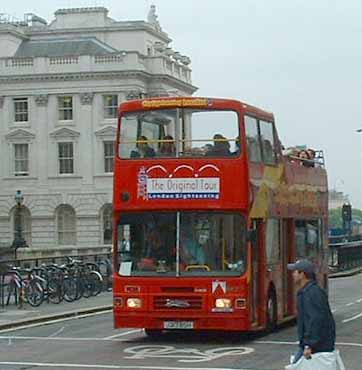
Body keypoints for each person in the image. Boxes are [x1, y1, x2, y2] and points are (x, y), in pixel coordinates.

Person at [287, 259, 335, 364]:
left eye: (295, 271)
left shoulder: (312, 294)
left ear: (302, 274)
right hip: (316, 346)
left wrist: (309, 345)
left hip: (317, 348)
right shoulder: (307, 291)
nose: (292, 274)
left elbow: (315, 319)